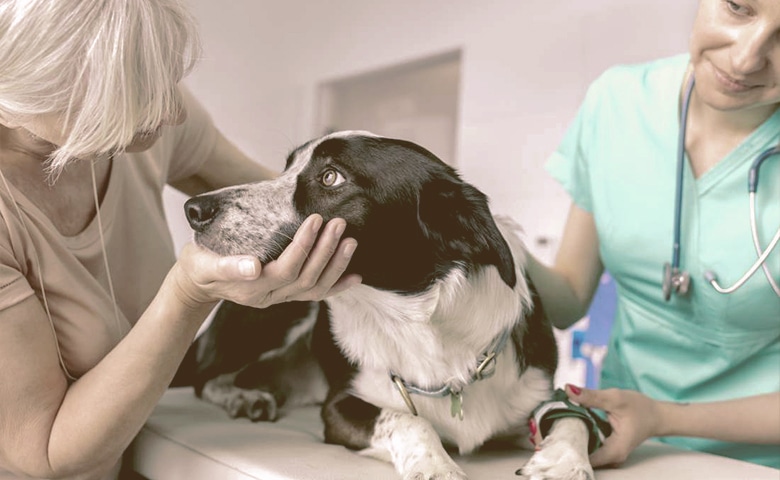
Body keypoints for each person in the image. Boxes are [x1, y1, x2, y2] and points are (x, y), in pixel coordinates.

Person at [0, 1, 361, 479]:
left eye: (167, 79)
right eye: (139, 90)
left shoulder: (151, 116)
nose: (172, 111)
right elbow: (46, 455)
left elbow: (293, 213)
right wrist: (188, 295)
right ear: (43, 85)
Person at [526, 0, 780, 470]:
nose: (746, 59)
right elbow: (567, 299)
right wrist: (493, 240)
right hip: (621, 448)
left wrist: (662, 416)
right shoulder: (617, 101)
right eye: (740, 7)